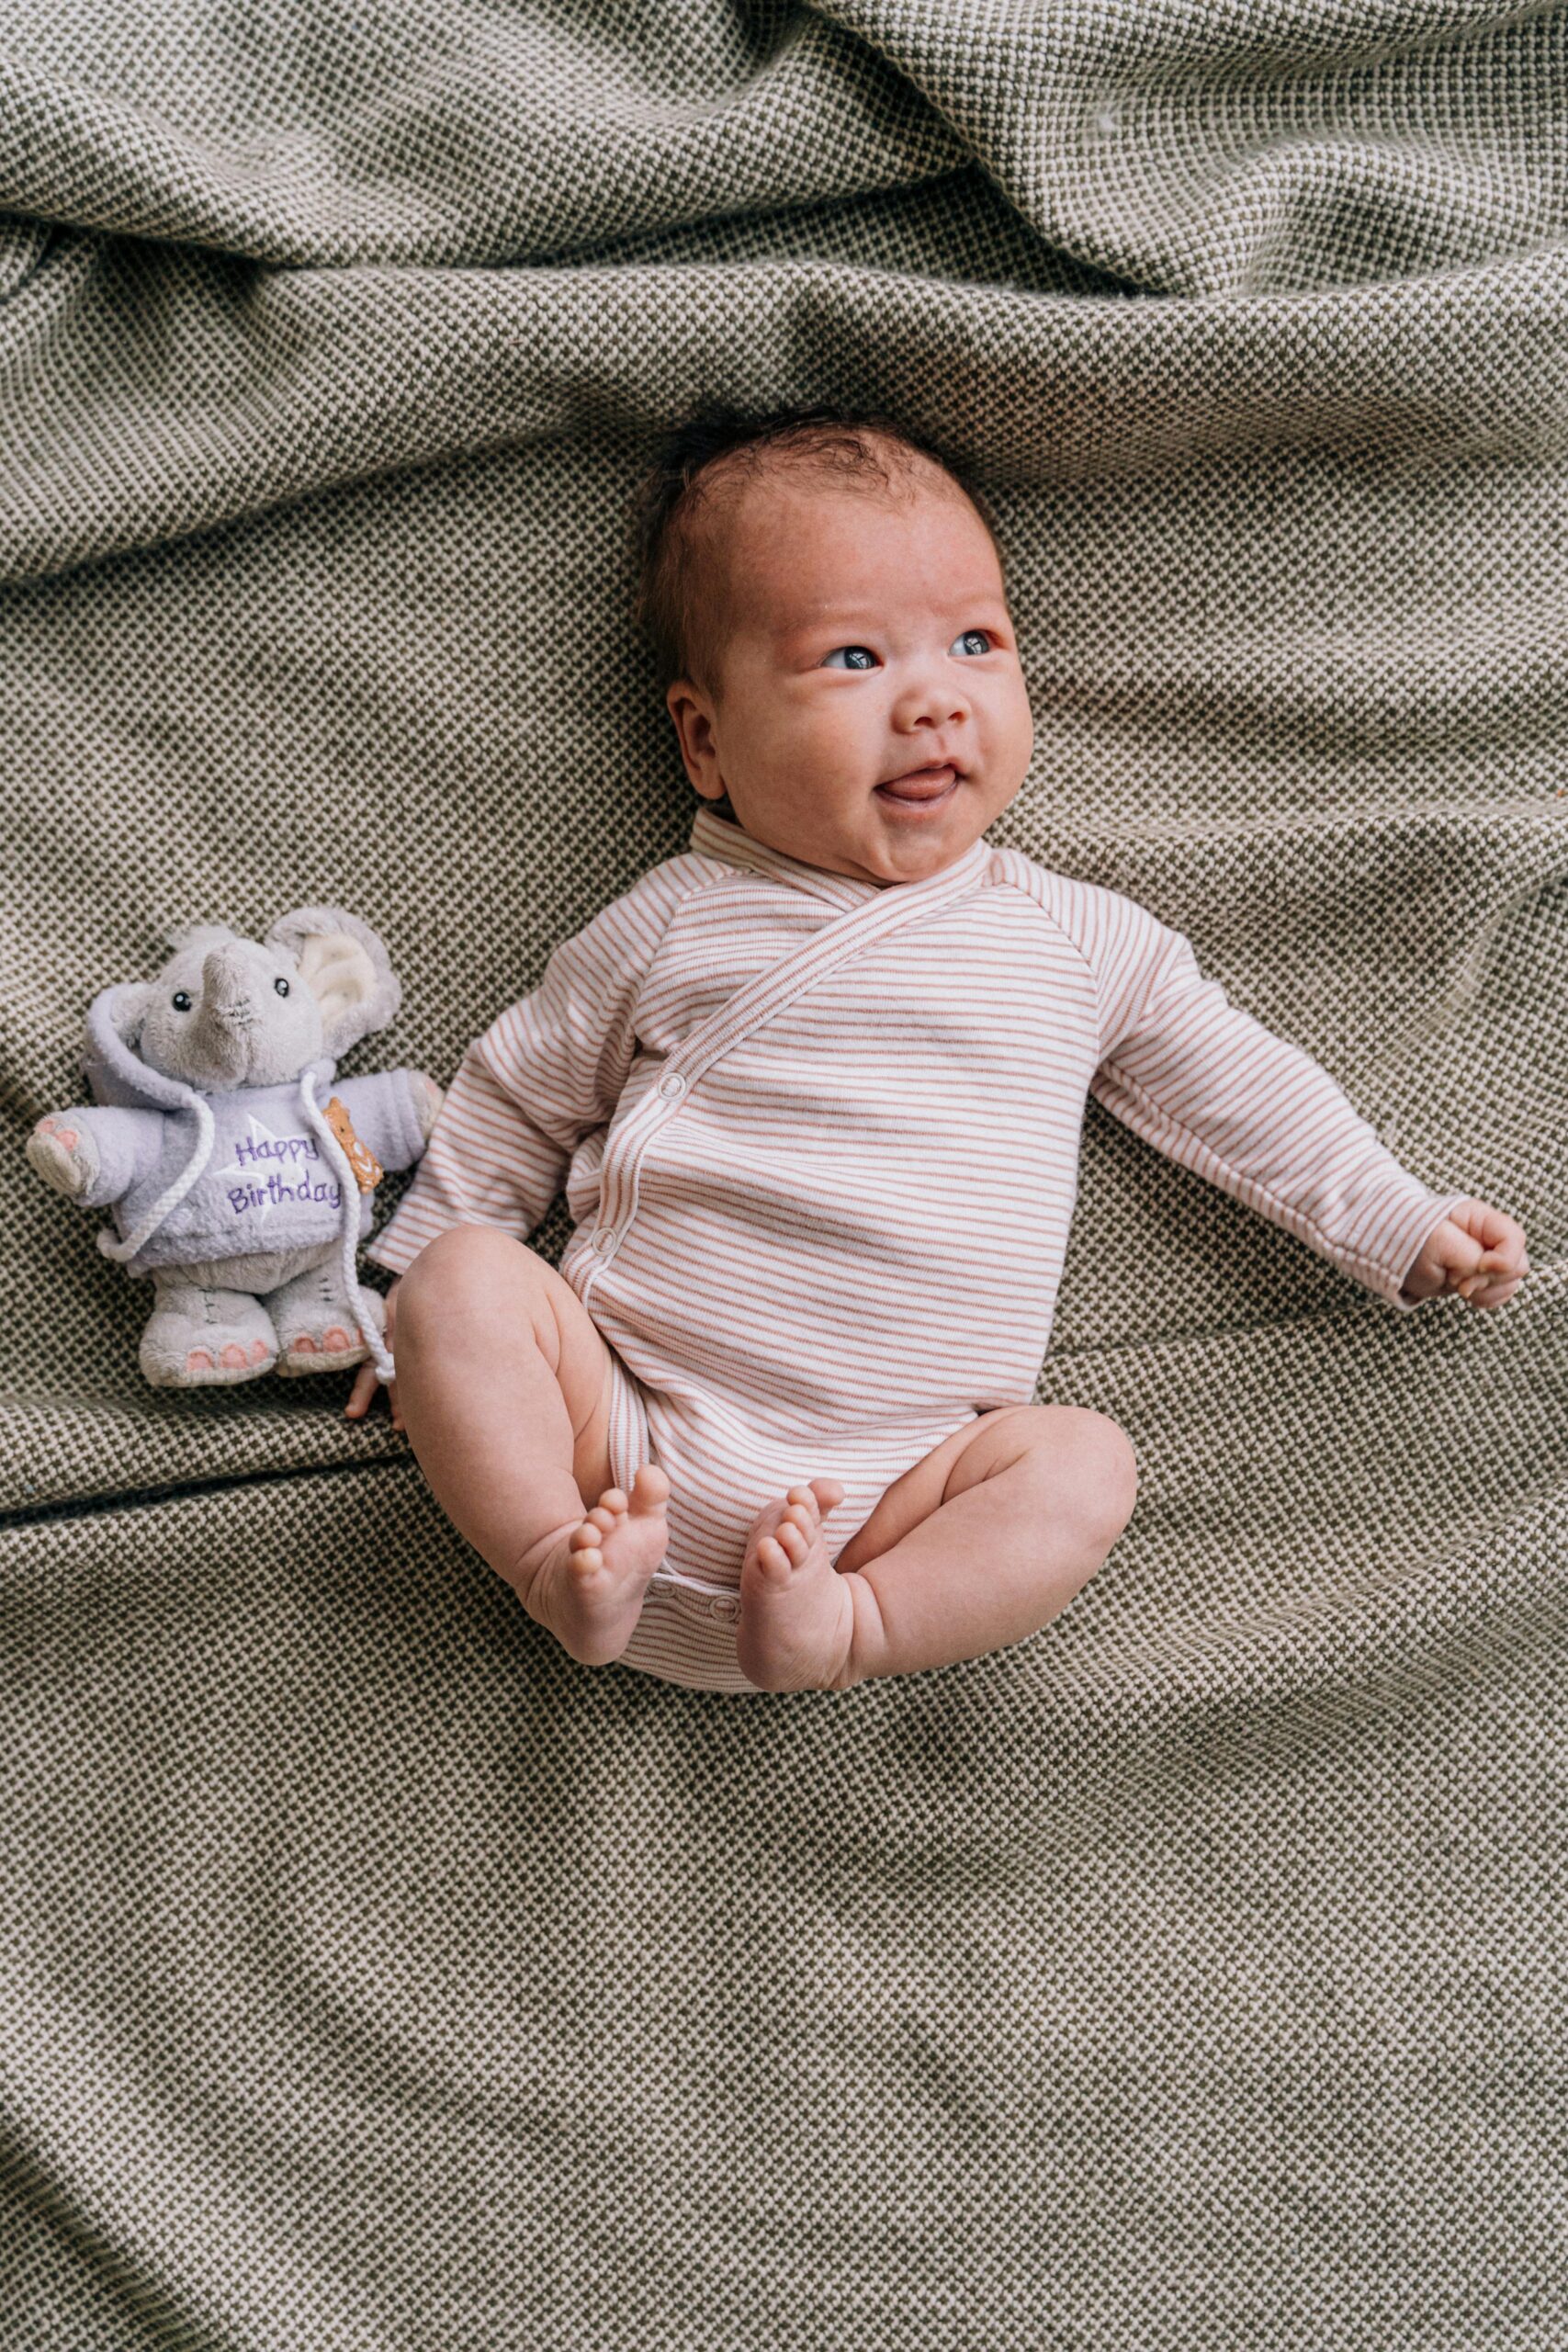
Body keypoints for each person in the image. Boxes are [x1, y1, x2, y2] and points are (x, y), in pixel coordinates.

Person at [344, 409, 1529, 1696]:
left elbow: (1236, 1084)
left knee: (1081, 1467)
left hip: (891, 1491)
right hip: (619, 1438)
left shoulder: (1075, 936)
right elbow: (516, 1096)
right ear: (706, 741)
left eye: (976, 642)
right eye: (852, 657)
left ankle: (853, 1628)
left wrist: (1393, 1217)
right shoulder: (671, 925)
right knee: (462, 1282)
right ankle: (549, 1567)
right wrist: (405, 1284)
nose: (935, 700)